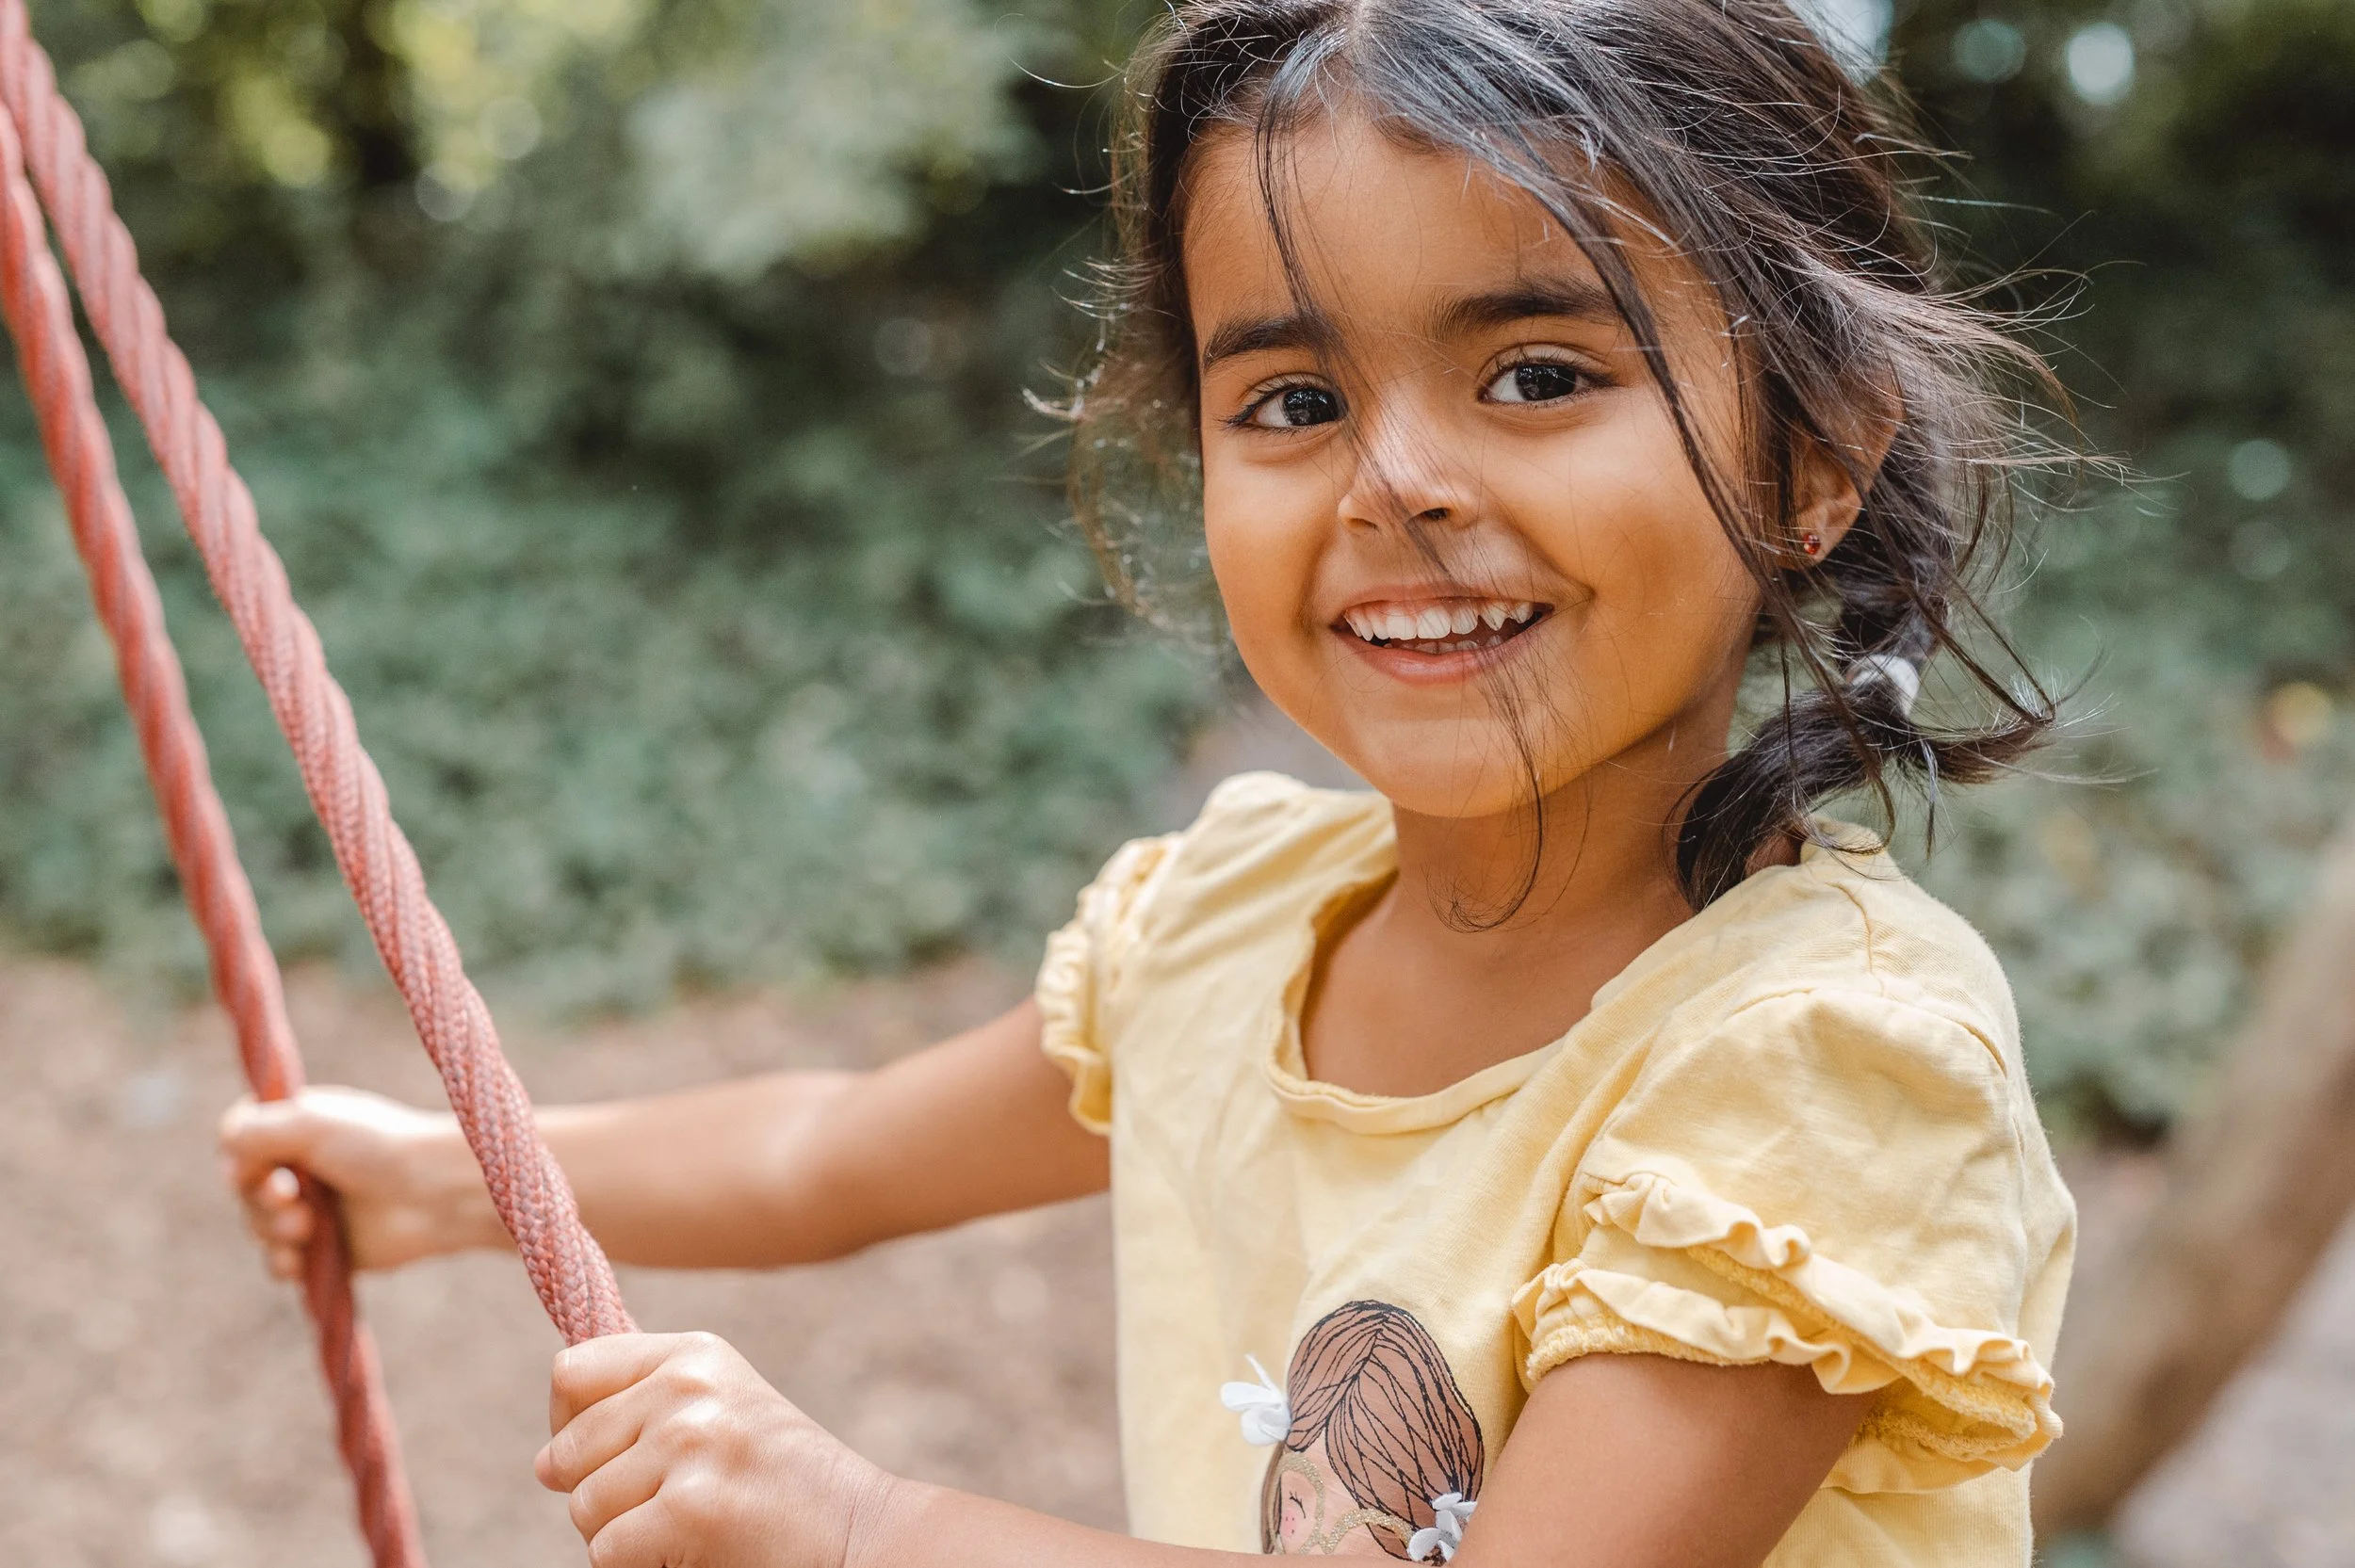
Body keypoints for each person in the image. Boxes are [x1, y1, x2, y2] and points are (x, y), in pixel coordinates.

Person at [219, 0, 2079, 1562]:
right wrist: (445, 1179)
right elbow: (826, 1154)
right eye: (1292, 403)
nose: (1393, 485)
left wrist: (859, 1526)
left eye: (1534, 374)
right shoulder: (1225, 928)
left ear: (1812, 457)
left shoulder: (1822, 1065)